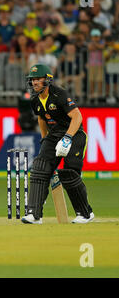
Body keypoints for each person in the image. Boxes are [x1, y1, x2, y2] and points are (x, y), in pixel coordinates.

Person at [21, 63, 94, 224]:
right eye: (32, 80)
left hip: (74, 134)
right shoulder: (35, 100)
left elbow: (77, 117)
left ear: (47, 80)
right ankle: (34, 214)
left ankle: (85, 213)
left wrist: (67, 138)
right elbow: (41, 118)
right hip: (54, 135)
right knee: (40, 166)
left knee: (69, 172)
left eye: (38, 79)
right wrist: (44, 139)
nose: (34, 83)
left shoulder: (59, 94)